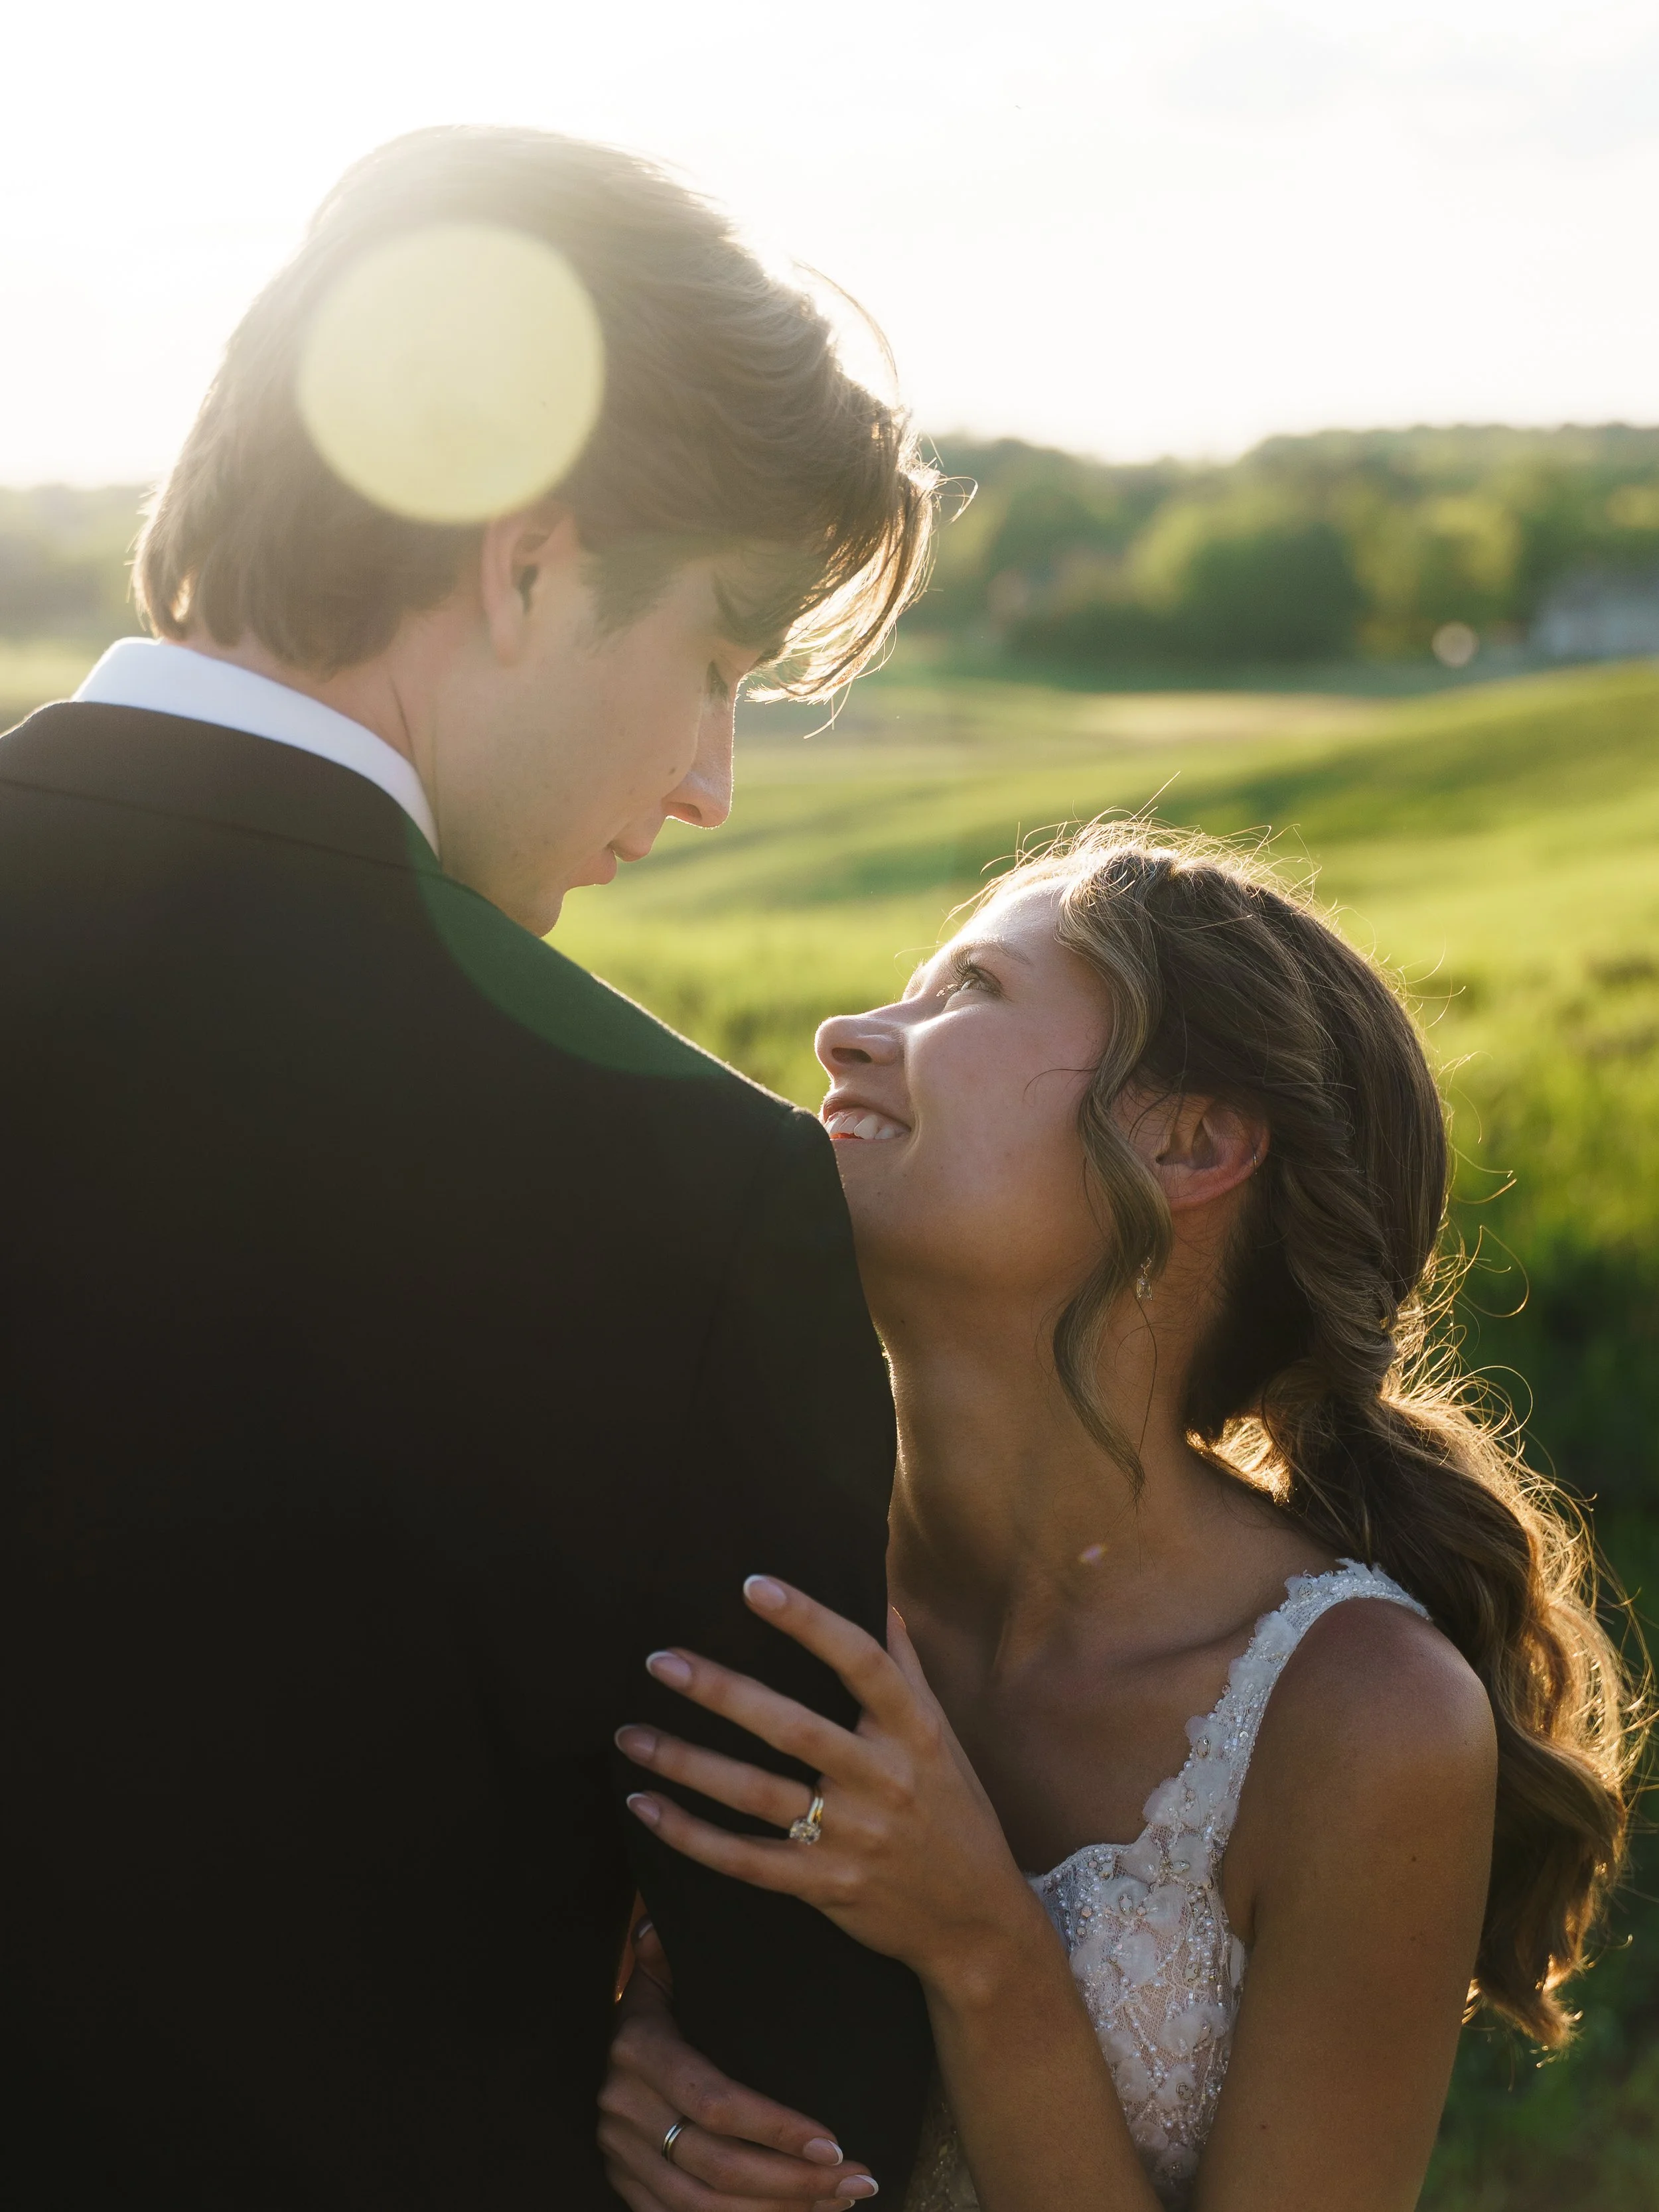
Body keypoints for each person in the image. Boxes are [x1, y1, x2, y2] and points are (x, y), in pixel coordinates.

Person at [0, 127, 941, 2207]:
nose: (706, 783)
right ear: (523, 559)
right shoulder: (687, 1199)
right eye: (712, 660)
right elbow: (799, 2093)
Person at [597, 824, 1643, 2212]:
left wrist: (980, 1942)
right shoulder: (708, 1537)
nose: (843, 1032)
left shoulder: (1363, 1723)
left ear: (1189, 1138)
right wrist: (619, 2071)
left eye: (965, 991)